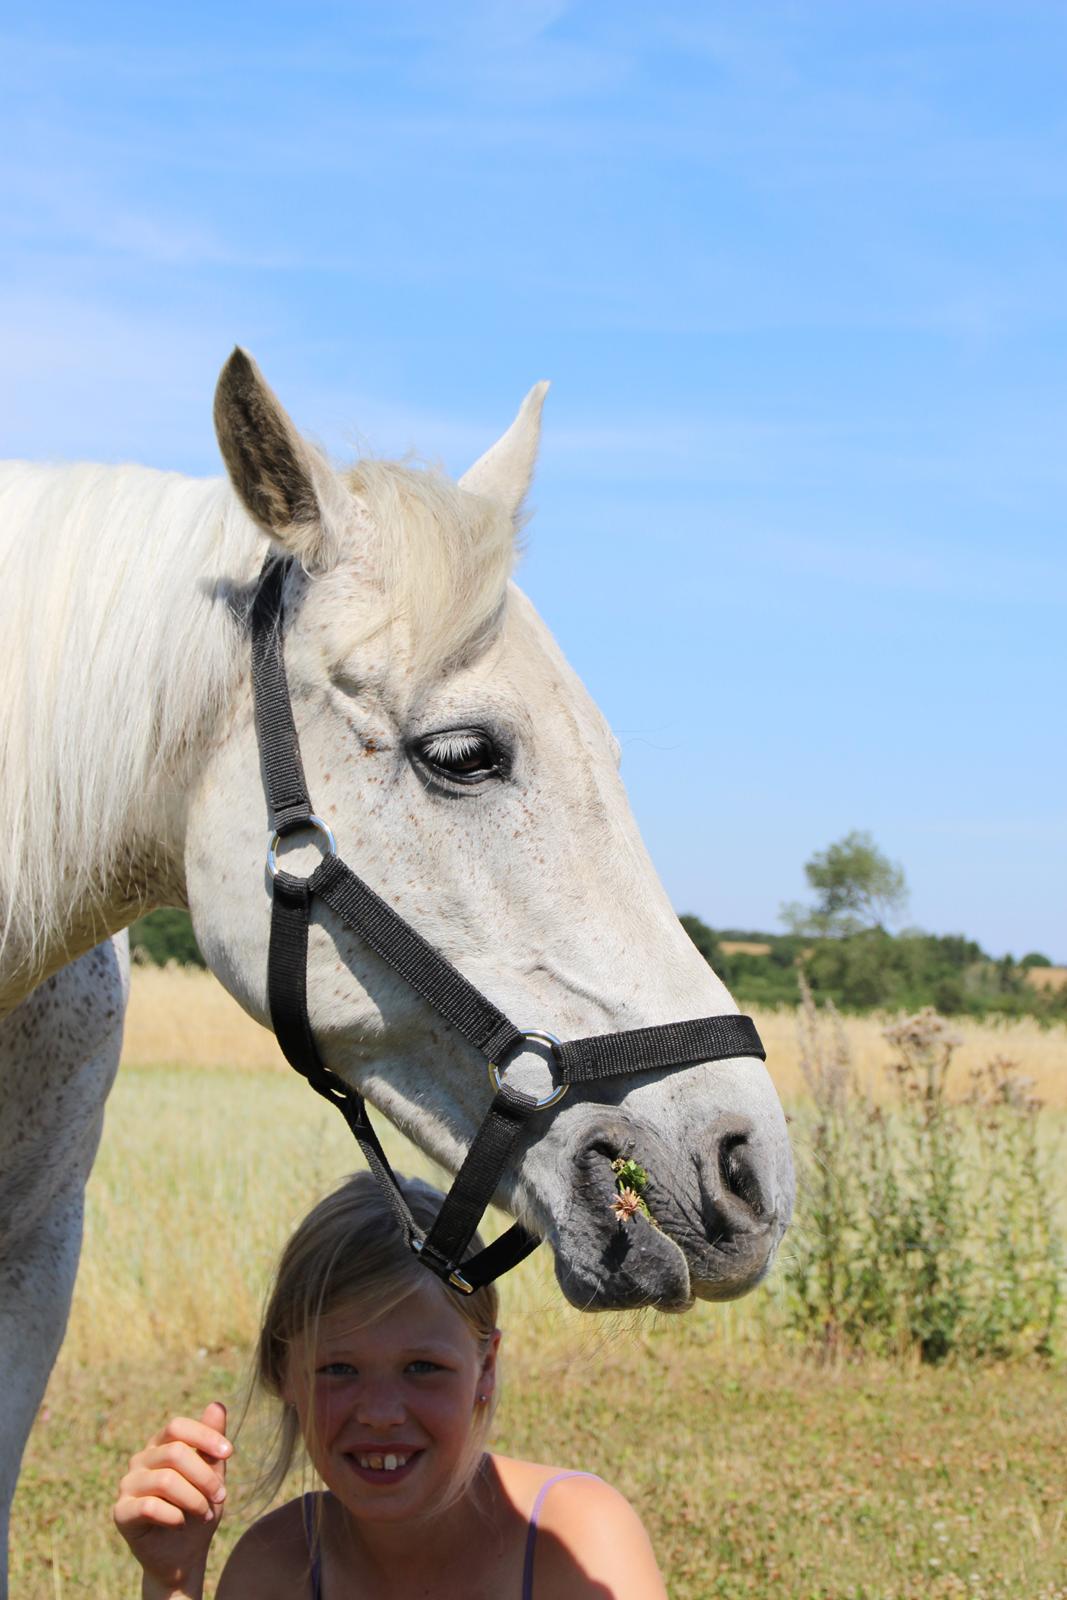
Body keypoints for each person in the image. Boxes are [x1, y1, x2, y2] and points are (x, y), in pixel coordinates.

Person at [113, 1171, 668, 1599]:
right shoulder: (275, 1568)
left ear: (487, 1366)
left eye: (422, 1367)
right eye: (339, 1369)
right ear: (284, 1372)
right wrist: (173, 1580)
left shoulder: (577, 1542)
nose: (380, 1413)